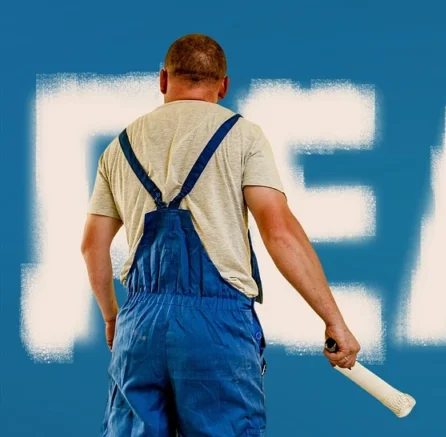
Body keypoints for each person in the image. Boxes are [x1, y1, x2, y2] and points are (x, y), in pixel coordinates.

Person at [80, 33, 361, 436]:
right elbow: (279, 232)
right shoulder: (242, 137)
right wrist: (334, 320)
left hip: (138, 327)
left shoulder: (119, 146)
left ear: (163, 80)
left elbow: (92, 245)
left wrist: (112, 316)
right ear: (223, 86)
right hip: (216, 328)